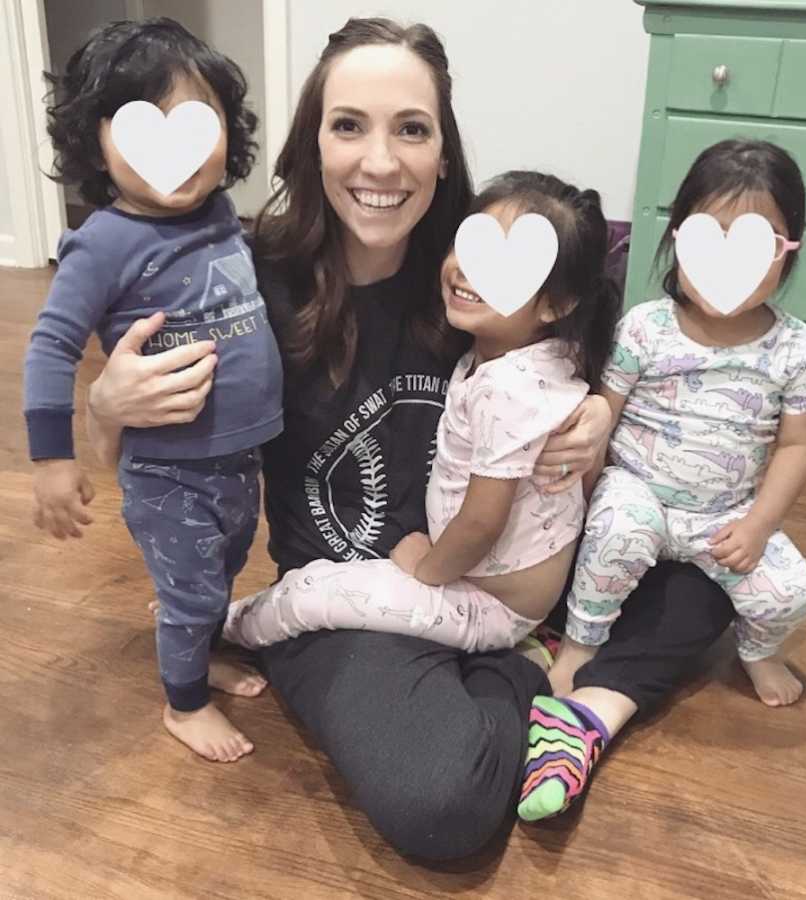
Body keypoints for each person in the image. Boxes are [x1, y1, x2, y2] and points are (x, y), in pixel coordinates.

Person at [85, 18, 735, 860]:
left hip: (505, 575)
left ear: (442, 151)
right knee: (443, 808)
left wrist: (604, 407)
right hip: (351, 603)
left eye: (412, 129)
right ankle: (547, 679)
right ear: (312, 142)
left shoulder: (482, 264)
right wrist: (106, 410)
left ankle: (540, 669)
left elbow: (607, 282)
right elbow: (144, 469)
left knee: (716, 574)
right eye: (349, 124)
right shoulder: (245, 284)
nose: (381, 163)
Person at [518, 140, 806, 822]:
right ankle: (583, 646)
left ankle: (755, 651)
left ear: (787, 252)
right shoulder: (647, 328)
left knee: (793, 593)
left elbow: (800, 443)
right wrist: (581, 493)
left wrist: (760, 524)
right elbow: (605, 412)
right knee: (616, 536)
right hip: (641, 492)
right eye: (705, 241)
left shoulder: (795, 347)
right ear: (677, 240)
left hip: (728, 511)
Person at [221, 170, 619, 655]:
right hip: (492, 587)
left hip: (483, 601)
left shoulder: (507, 389)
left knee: (313, 596)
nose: (467, 271)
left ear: (555, 305)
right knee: (324, 582)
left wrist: (425, 568)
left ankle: (230, 629)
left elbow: (481, 522)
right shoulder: (532, 352)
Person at [24, 19, 280, 763]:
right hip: (169, 469)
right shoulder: (103, 243)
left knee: (223, 569)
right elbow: (50, 349)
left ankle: (199, 642)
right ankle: (184, 702)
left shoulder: (222, 218)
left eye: (198, 122)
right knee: (197, 588)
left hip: (236, 458)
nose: (178, 150)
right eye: (143, 126)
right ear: (96, 143)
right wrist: (52, 462)